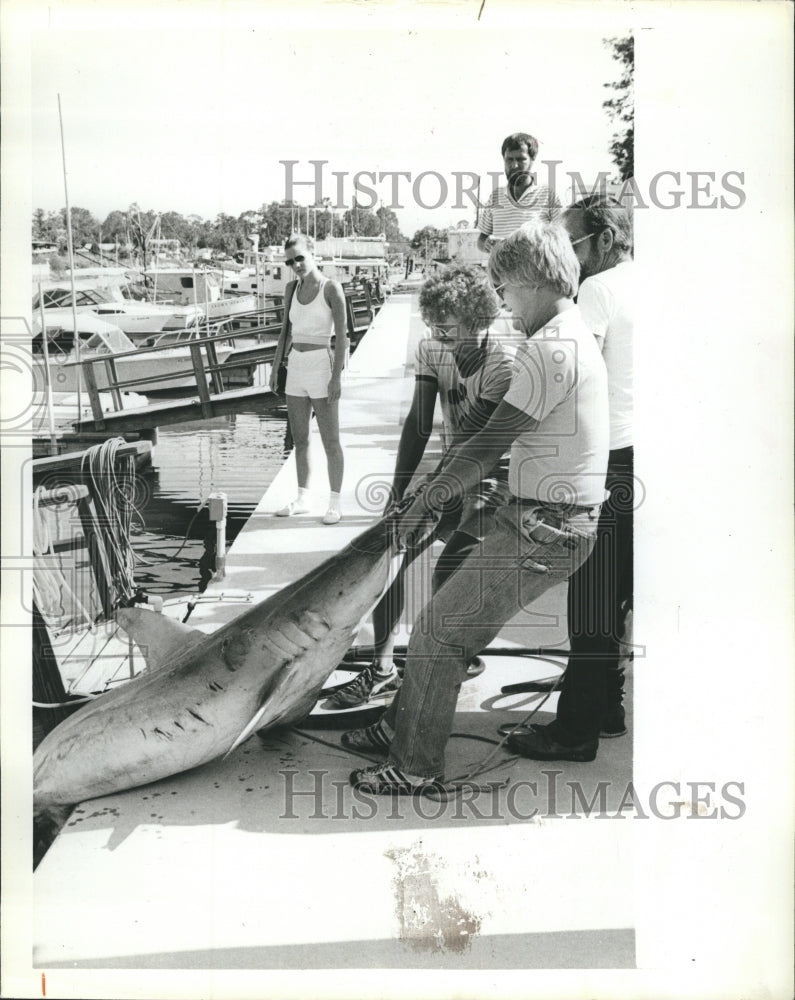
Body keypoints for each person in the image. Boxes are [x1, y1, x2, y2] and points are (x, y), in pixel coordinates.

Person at [344, 222, 610, 792]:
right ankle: (400, 729)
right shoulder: (569, 334)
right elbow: (484, 437)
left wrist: (424, 501)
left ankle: (414, 768)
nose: (503, 302)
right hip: (541, 518)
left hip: (546, 526)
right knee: (446, 619)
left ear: (531, 280)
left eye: (505, 287)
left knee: (439, 632)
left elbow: (487, 445)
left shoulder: (548, 350)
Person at [327, 264, 515, 708]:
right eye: (434, 323)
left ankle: (443, 665)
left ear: (478, 319)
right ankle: (383, 669)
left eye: (449, 325)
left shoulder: (502, 366)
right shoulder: (432, 348)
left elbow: (472, 441)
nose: (439, 333)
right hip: (450, 471)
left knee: (447, 572)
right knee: (391, 552)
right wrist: (398, 495)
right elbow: (418, 424)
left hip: (493, 478)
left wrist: (427, 492)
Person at [504, 194, 635, 761]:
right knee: (619, 595)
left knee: (592, 603)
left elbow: (579, 378)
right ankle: (608, 707)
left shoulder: (600, 291)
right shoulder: (650, 281)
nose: (570, 256)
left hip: (613, 454)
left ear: (604, 241)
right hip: (644, 452)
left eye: (575, 242)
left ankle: (576, 730)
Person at [269, 234, 348, 525]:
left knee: (331, 441)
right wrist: (277, 368)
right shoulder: (291, 288)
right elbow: (284, 333)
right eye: (290, 261)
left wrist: (336, 378)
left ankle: (335, 503)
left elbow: (342, 338)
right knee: (300, 439)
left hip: (321, 364)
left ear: (312, 253)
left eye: (299, 257)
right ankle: (303, 498)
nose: (296, 265)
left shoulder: (331, 289)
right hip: (296, 366)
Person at [477, 133, 562, 255]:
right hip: (502, 273)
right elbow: (481, 240)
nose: (514, 165)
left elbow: (563, 239)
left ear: (532, 160)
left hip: (535, 273)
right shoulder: (495, 196)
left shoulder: (548, 195)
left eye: (521, 159)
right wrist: (487, 244)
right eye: (509, 159)